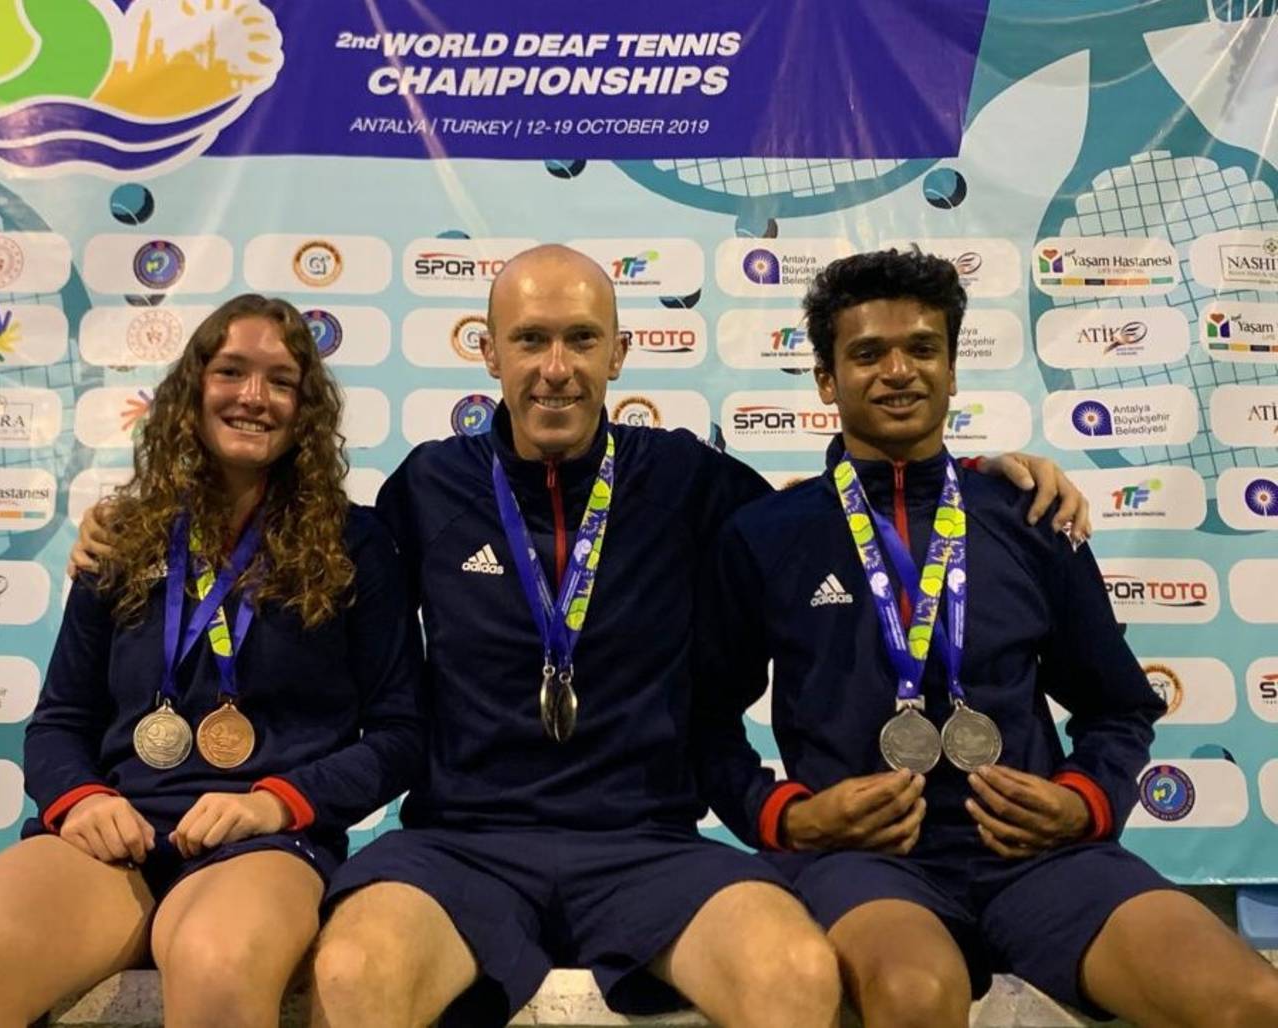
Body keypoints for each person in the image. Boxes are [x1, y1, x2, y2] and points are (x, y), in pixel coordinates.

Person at [71, 244, 1086, 1028]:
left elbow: (834, 515)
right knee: (356, 968)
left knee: (793, 970)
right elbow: (296, 540)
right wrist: (141, 519)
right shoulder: (428, 486)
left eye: (579, 339)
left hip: (647, 843)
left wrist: (978, 478)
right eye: (530, 340)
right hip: (460, 843)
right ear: (489, 351)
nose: (555, 367)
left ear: (617, 351)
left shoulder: (688, 479)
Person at [695, 249, 1278, 1028]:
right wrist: (787, 817)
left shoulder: (1028, 515)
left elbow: (1118, 707)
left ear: (953, 369)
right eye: (868, 353)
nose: (898, 371)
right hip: (864, 863)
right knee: (913, 995)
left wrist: (1084, 803)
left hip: (1038, 858)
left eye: (923, 349)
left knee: (1248, 1000)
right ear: (827, 382)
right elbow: (703, 723)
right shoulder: (766, 536)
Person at [0, 294, 424, 1028]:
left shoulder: (356, 547)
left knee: (218, 961)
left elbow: (403, 734)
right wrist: (80, 799)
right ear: (192, 390)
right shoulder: (127, 535)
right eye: (231, 371)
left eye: (281, 381)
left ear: (306, 409)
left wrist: (276, 801)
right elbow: (58, 722)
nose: (254, 396)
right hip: (117, 841)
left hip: (267, 839)